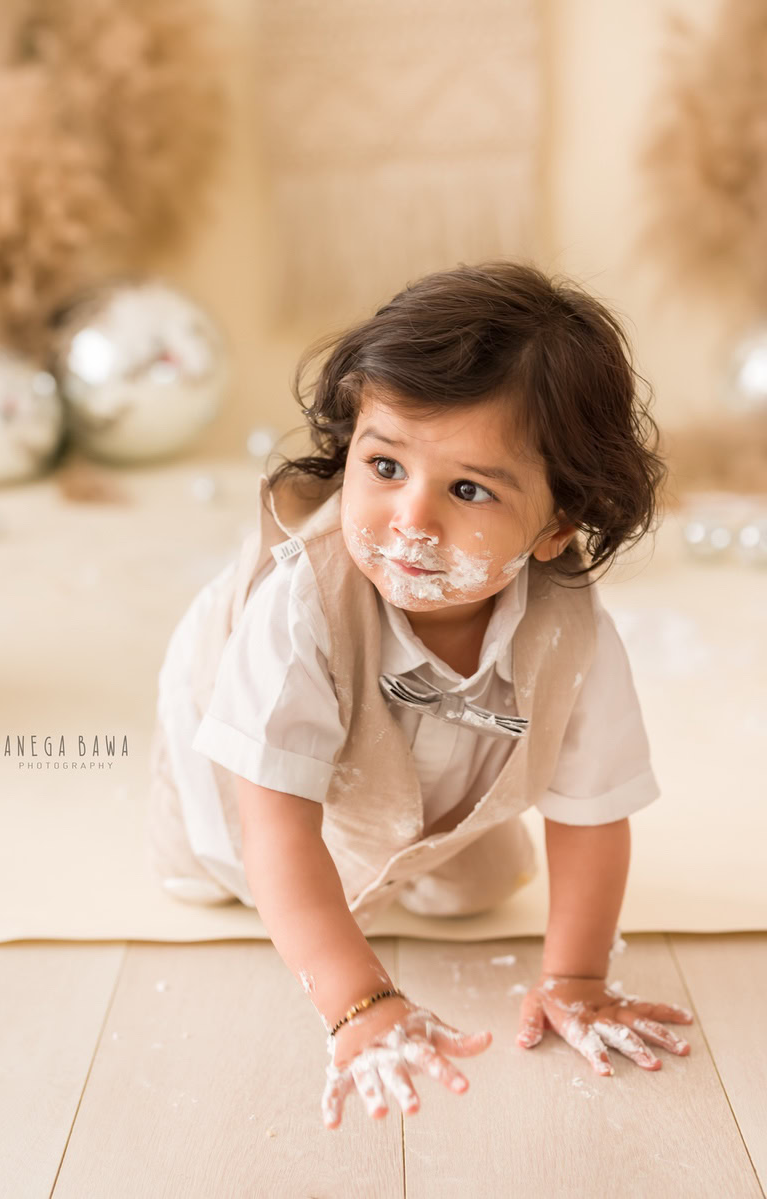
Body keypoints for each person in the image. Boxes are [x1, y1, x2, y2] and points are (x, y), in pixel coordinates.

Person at [147, 260, 694, 1130]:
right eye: (385, 464)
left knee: (474, 886)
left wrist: (578, 978)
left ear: (556, 526)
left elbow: (591, 813)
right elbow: (278, 828)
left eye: (469, 489)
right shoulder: (301, 606)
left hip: (421, 770)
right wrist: (360, 1004)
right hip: (245, 778)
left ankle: (404, 840)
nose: (411, 518)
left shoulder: (569, 629)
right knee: (221, 870)